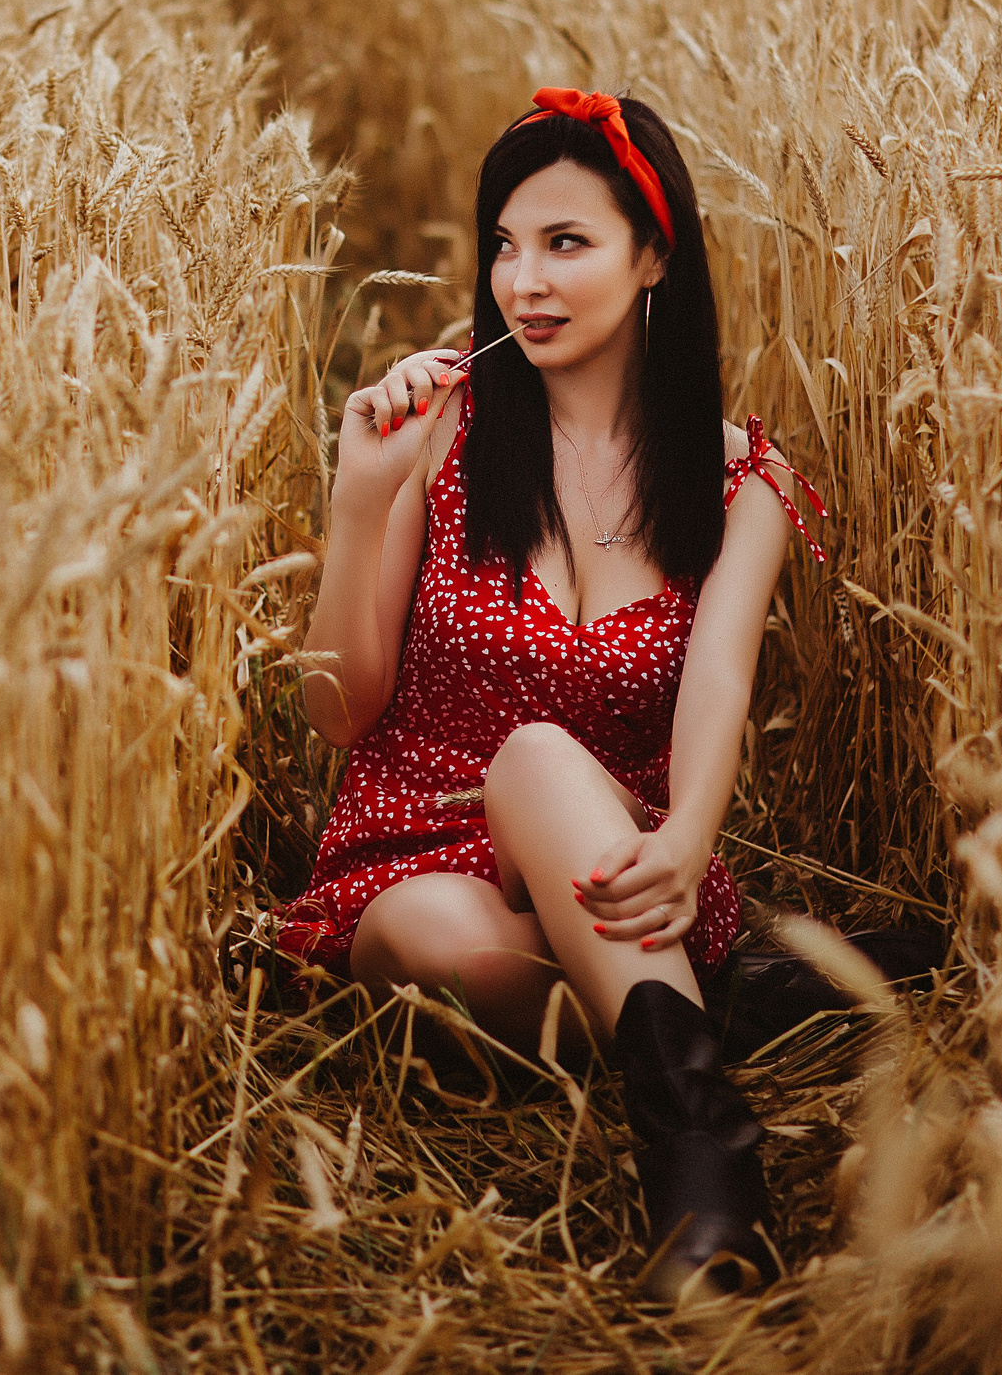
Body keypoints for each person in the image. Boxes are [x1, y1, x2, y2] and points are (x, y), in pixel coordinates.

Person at [278, 87, 828, 1303]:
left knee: (537, 754)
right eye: (505, 244)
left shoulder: (743, 481)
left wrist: (685, 838)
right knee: (435, 940)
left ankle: (701, 1162)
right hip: (420, 844)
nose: (522, 279)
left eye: (565, 243)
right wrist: (357, 497)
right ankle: (704, 1009)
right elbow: (340, 713)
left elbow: (718, 682)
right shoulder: (442, 430)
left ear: (653, 259)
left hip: (612, 855)